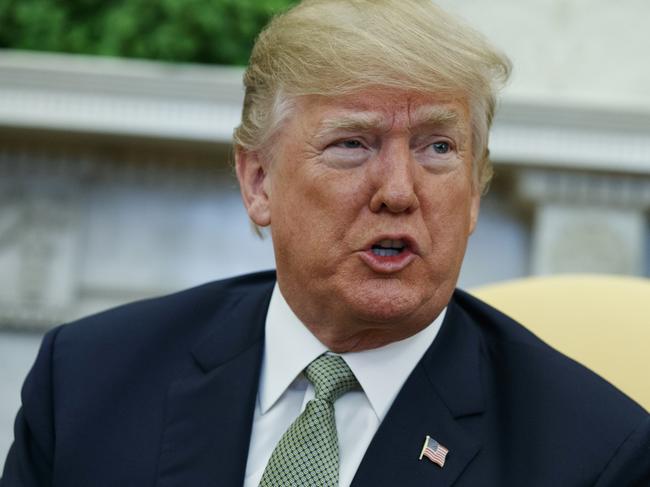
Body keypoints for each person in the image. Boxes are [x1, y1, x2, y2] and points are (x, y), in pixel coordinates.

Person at [3, 0, 649, 485]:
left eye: (438, 147)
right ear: (258, 180)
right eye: (352, 144)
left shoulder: (594, 456)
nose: (399, 190)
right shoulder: (89, 384)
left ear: (475, 191)